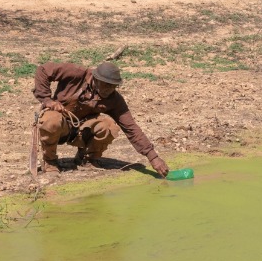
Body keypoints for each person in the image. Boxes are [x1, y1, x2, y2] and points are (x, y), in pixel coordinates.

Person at [32, 59, 169, 176]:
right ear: (96, 79)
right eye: (105, 84)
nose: (108, 89)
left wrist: (153, 157)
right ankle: (50, 162)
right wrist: (47, 100)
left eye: (112, 86)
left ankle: (87, 159)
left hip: (81, 131)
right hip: (60, 125)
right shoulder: (76, 72)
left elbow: (131, 128)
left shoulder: (115, 100)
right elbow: (42, 70)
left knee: (108, 126)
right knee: (51, 120)